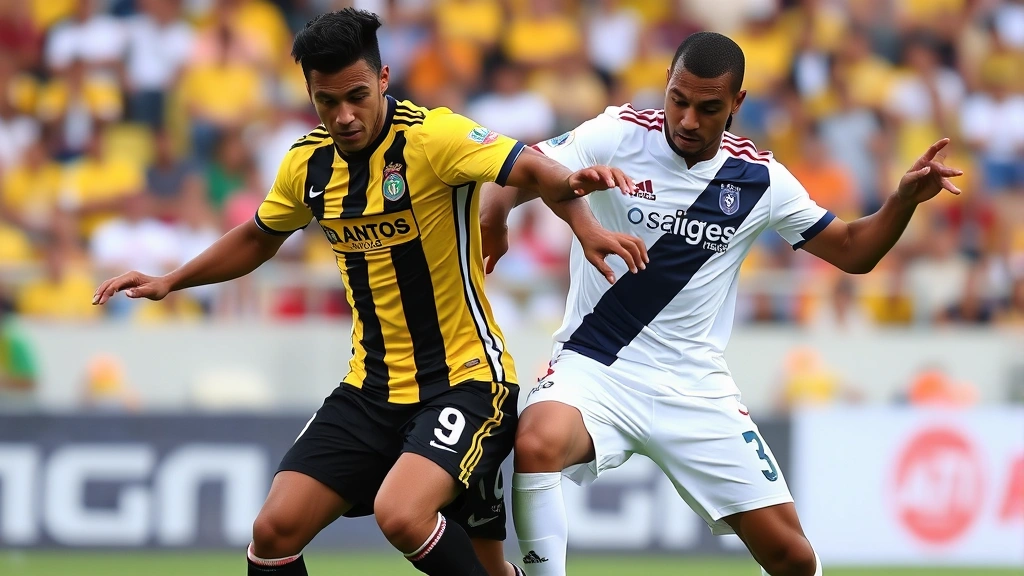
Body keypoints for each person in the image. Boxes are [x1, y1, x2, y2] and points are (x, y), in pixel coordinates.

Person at [92, 9, 643, 576]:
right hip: (370, 388)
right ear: (309, 94)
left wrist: (584, 224)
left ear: (382, 78)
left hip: (466, 383)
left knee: (401, 516)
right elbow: (259, 235)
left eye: (356, 95)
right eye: (327, 102)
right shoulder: (307, 164)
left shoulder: (433, 138)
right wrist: (171, 280)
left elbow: (532, 166)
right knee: (272, 532)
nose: (345, 116)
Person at [480, 31, 963, 576]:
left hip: (695, 385)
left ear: (737, 103)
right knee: (537, 441)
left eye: (708, 108)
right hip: (595, 367)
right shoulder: (614, 134)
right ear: (666, 84)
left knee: (794, 559)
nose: (687, 120)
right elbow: (514, 169)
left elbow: (854, 251)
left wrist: (900, 202)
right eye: (678, 100)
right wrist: (496, 219)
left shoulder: (760, 180)